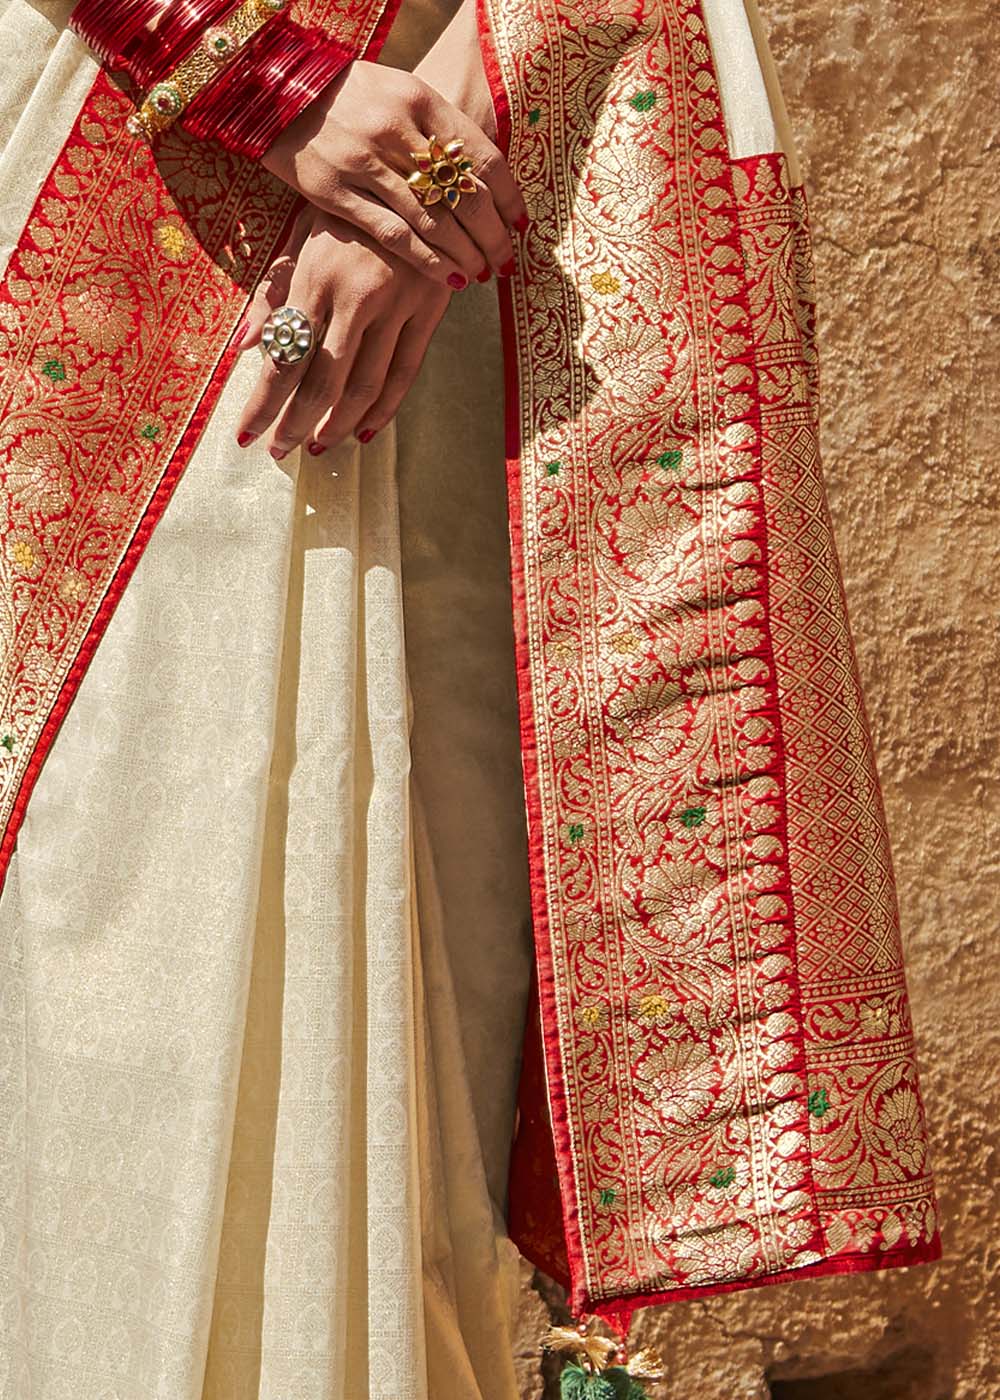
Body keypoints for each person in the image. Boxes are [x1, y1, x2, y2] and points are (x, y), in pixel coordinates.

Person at [0, 1, 942, 1397]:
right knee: (109, 946)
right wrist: (267, 82)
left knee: (410, 994)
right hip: (130, 165)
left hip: (480, 205)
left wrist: (437, 161)